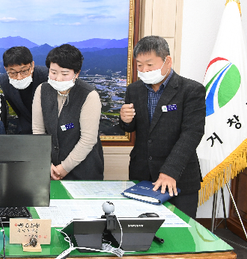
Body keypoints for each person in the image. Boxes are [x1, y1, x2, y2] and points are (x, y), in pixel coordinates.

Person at [120, 35, 206, 219]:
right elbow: (131, 128)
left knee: (180, 235)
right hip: (142, 174)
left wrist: (170, 171)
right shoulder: (134, 90)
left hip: (178, 178)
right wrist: (126, 120)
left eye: (150, 65)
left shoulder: (191, 90)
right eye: (139, 65)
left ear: (168, 61)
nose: (144, 70)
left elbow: (192, 134)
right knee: (141, 232)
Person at [32, 44, 104, 180]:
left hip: (83, 170)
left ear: (76, 73)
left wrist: (63, 168)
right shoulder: (42, 90)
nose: (58, 78)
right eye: (53, 72)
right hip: (50, 168)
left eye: (64, 74)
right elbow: (38, 131)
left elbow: (88, 139)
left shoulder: (89, 95)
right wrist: (46, 163)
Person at [0, 46, 48, 134]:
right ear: (5, 69)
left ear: (32, 65)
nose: (19, 77)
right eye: (13, 72)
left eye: (24, 71)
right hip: (26, 126)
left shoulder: (46, 76)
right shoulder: (4, 81)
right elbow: (17, 109)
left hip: (49, 124)